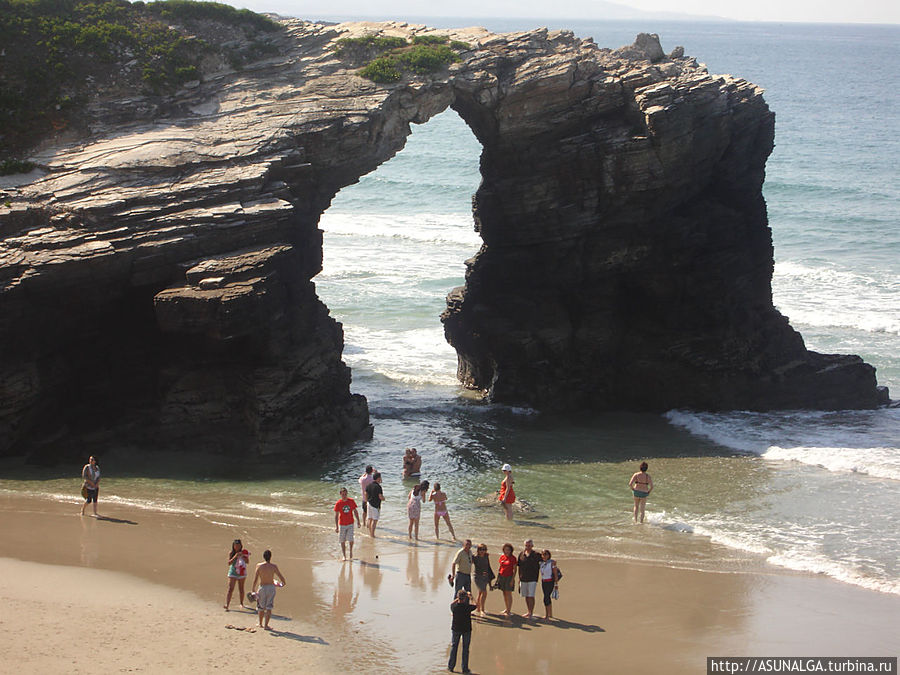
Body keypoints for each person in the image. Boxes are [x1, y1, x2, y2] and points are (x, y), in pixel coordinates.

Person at [251, 549, 286, 630]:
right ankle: (266, 625)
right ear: (270, 557)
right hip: (271, 587)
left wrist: (253, 589)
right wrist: (283, 583)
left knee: (261, 607)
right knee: (269, 607)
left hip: (262, 587)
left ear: (263, 556)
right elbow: (281, 577)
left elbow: (255, 579)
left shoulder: (259, 566)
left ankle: (260, 623)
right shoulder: (274, 566)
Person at [448, 588, 476, 674]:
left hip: (456, 628)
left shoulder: (454, 607)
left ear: (458, 597)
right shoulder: (468, 607)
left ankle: (451, 667)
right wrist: (471, 597)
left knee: (454, 647)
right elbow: (476, 605)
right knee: (465, 649)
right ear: (465, 599)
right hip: (466, 629)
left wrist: (458, 598)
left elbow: (451, 603)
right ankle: (465, 668)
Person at [333, 487, 361, 560]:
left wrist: (358, 521)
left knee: (351, 540)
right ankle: (344, 555)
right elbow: (336, 515)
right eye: (343, 494)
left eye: (345, 494)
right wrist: (336, 527)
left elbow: (355, 511)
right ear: (340, 494)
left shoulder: (351, 501)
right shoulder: (338, 503)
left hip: (350, 523)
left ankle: (351, 552)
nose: (344, 496)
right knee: (342, 540)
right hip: (342, 524)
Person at [517, 539, 540, 618]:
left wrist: (553, 563)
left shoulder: (537, 554)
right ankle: (528, 611)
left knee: (531, 596)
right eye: (526, 545)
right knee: (526, 596)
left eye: (529, 545)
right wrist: (519, 578)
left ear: (532, 546)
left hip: (533, 578)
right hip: (523, 578)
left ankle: (531, 612)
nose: (528, 547)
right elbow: (519, 567)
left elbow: (545, 560)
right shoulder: (521, 554)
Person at [224, 539, 248, 610]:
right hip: (233, 572)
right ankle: (227, 604)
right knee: (230, 589)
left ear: (241, 546)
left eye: (238, 545)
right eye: (235, 545)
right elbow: (229, 563)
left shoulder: (244, 552)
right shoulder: (231, 553)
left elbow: (247, 561)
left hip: (241, 572)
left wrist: (243, 556)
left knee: (241, 589)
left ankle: (241, 603)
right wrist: (235, 556)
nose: (237, 547)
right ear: (233, 546)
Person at [472, 543, 495, 616]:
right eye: (481, 549)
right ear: (478, 550)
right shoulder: (475, 557)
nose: (482, 551)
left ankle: (478, 608)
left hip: (485, 577)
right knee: (484, 592)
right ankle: (482, 609)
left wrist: (489, 579)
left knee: (480, 592)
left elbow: (488, 566)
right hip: (477, 577)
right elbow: (469, 562)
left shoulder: (486, 556)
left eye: (484, 549)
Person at [496, 543, 517, 616]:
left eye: (508, 550)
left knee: (508, 593)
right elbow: (500, 568)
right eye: (505, 550)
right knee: (504, 593)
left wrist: (512, 579)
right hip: (502, 577)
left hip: (509, 577)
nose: (506, 551)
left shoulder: (513, 558)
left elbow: (515, 570)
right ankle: (506, 608)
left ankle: (509, 610)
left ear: (511, 550)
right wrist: (498, 578)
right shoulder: (502, 557)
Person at [539, 549, 559, 620]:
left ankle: (547, 615)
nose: (544, 556)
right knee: (547, 597)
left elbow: (555, 573)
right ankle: (550, 613)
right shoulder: (541, 563)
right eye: (543, 554)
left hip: (550, 582)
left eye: (546, 554)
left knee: (546, 598)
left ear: (548, 555)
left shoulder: (551, 563)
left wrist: (556, 584)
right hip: (543, 582)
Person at [365, 471, 385, 537]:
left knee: (369, 518)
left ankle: (369, 532)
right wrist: (383, 498)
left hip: (369, 503)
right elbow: (380, 496)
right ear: (378, 478)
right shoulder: (378, 487)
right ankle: (372, 534)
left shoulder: (369, 485)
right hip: (375, 505)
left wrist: (366, 500)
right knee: (375, 520)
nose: (381, 479)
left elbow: (366, 493)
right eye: (380, 478)